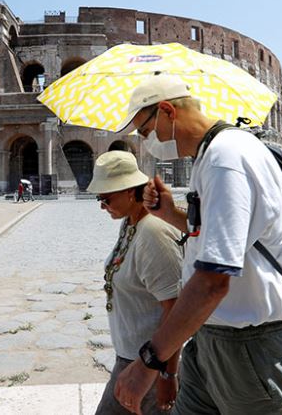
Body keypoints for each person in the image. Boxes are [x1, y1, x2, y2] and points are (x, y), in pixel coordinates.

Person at [112, 75, 282, 414]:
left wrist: (150, 361)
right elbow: (226, 235)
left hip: (250, 347)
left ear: (166, 111)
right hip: (212, 339)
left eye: (145, 131)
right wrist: (171, 214)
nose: (146, 143)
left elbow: (213, 282)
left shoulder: (225, 158)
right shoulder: (212, 156)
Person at [88, 151, 183, 414]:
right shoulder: (131, 223)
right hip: (133, 356)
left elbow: (175, 308)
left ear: (130, 192)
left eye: (106, 199)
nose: (102, 206)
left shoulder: (153, 232)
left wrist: (166, 374)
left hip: (150, 361)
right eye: (99, 199)